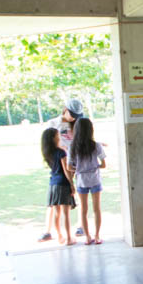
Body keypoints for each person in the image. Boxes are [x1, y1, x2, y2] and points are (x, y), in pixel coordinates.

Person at [39, 98, 85, 240]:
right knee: (55, 200)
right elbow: (47, 144)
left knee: (80, 194)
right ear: (65, 109)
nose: (74, 118)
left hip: (77, 162)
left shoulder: (78, 124)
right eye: (72, 115)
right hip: (60, 163)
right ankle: (48, 230)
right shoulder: (53, 124)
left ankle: (80, 226)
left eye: (76, 116)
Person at [68, 117, 107, 245]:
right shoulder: (96, 145)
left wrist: (79, 168)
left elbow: (69, 167)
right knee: (97, 209)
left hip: (81, 181)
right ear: (91, 130)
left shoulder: (73, 147)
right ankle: (97, 236)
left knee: (83, 210)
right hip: (95, 179)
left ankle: (87, 237)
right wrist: (95, 166)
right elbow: (103, 164)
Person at [41, 127, 76, 246]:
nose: (59, 136)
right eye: (57, 135)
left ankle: (60, 236)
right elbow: (66, 170)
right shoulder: (61, 152)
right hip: (63, 183)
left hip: (53, 184)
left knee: (57, 213)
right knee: (66, 213)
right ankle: (69, 238)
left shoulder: (47, 152)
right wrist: (72, 184)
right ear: (53, 138)